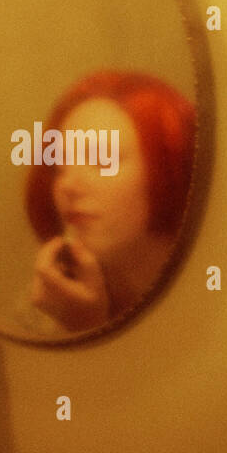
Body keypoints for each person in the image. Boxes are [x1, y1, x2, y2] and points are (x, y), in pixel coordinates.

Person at [25, 70, 196, 332]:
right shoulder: (51, 301)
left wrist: (85, 330)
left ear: (166, 167)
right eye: (59, 166)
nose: (67, 185)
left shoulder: (214, 299)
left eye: (102, 159)